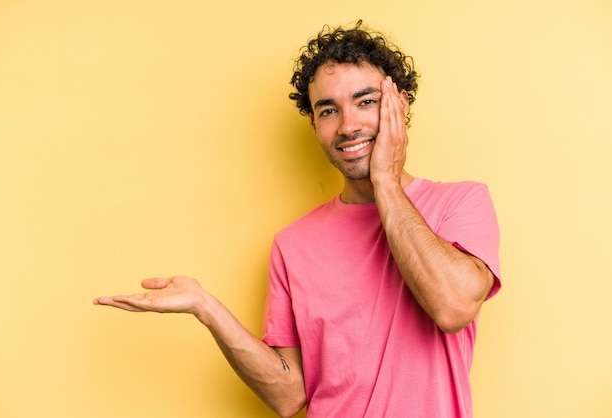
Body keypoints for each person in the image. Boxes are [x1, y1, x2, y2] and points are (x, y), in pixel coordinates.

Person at [94, 20, 501, 418]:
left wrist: (387, 182)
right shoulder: (293, 245)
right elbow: (289, 396)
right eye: (328, 110)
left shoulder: (459, 203)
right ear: (314, 124)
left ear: (401, 104)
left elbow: (453, 307)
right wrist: (206, 307)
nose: (349, 125)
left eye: (366, 101)